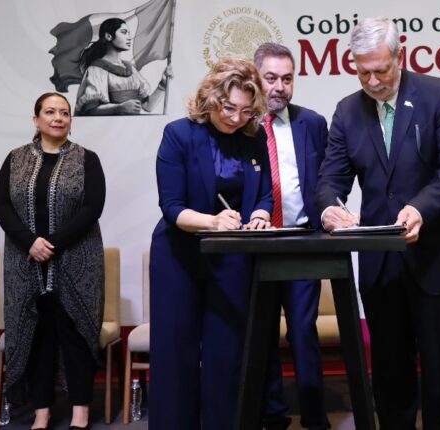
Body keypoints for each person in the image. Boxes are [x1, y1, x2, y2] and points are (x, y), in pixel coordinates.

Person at [315, 17, 440, 429]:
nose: (372, 80)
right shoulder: (347, 112)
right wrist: (329, 207)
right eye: (362, 71)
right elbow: (331, 178)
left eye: (380, 70)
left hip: (438, 257)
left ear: (399, 57)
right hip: (381, 264)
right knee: (389, 374)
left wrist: (420, 208)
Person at [148, 57, 273, 429]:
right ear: (210, 98)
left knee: (227, 355)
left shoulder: (255, 137)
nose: (236, 118)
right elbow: (171, 207)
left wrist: (262, 215)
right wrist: (214, 221)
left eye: (246, 110)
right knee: (175, 356)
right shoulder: (179, 134)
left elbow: (264, 193)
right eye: (229, 107)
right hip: (179, 257)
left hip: (232, 258)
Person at [0, 92, 105, 430]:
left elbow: (92, 208)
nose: (58, 118)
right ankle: (41, 411)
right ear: (36, 119)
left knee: (75, 334)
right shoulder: (15, 159)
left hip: (77, 262)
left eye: (65, 113)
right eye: (50, 112)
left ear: (71, 120)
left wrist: (51, 244)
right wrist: (30, 243)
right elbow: (1, 207)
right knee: (37, 335)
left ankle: (81, 412)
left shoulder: (87, 159)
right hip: (24, 263)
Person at [253, 42, 330, 430]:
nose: (279, 87)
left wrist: (333, 210)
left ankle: (315, 419)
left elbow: (329, 178)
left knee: (303, 332)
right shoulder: (240, 124)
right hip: (256, 248)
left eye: (286, 79)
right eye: (271, 79)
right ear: (256, 78)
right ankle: (273, 416)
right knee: (262, 332)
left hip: (302, 241)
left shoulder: (312, 123)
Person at [75, 17, 171, 115]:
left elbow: (147, 106)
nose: (129, 37)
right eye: (124, 32)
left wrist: (162, 84)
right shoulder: (96, 69)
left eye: (129, 33)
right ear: (109, 36)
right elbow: (90, 110)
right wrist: (119, 108)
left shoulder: (131, 69)